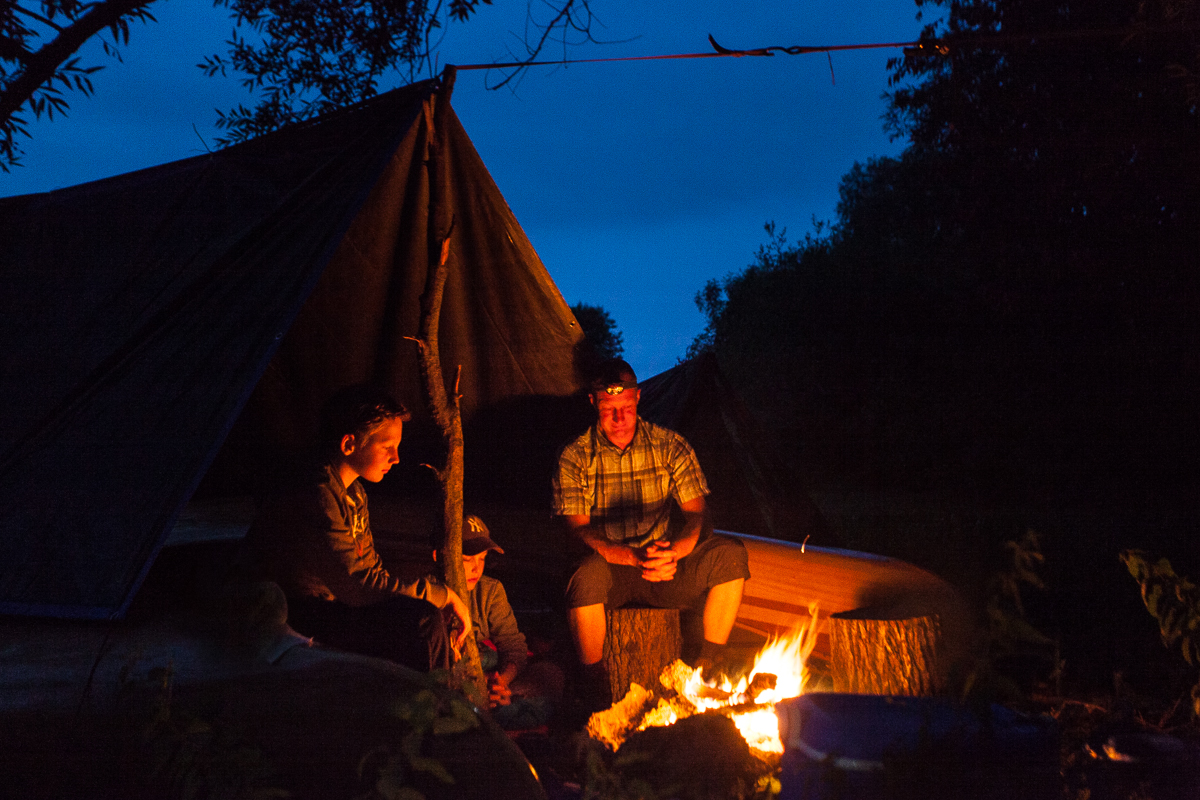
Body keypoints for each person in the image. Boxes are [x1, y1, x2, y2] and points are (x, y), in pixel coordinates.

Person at [553, 358, 750, 708]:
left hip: (662, 567)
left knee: (729, 554)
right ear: (593, 403)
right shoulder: (575, 455)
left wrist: (675, 551)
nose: (619, 419)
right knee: (584, 576)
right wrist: (628, 555)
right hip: (611, 572)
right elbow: (577, 529)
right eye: (609, 409)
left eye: (626, 408)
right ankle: (593, 683)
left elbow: (697, 515)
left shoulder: (670, 445)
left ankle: (708, 667)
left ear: (639, 398)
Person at [245, 384, 471, 672]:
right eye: (387, 446)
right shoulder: (314, 492)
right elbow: (356, 584)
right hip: (287, 609)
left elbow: (369, 567)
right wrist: (442, 595)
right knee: (421, 620)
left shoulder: (354, 494)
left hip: (327, 603)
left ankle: (435, 699)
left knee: (420, 616)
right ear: (349, 444)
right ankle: (438, 707)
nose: (396, 458)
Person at [433, 514, 564, 728]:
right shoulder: (429, 594)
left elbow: (513, 646)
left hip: (487, 673)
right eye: (467, 559)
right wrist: (473, 683)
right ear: (440, 557)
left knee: (550, 675)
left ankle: (499, 711)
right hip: (450, 681)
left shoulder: (490, 591)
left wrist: (501, 682)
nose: (477, 568)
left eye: (482, 558)